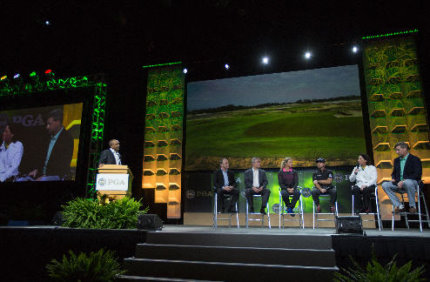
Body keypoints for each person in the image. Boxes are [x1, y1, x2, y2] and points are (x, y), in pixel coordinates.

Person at [28, 109, 74, 180]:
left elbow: (63, 165)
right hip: (42, 175)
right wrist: (36, 170)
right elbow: (41, 158)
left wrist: (45, 176)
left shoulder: (67, 139)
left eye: (49, 124)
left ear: (58, 122)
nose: (47, 127)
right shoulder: (47, 137)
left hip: (57, 175)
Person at [382, 142, 422, 213]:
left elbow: (417, 174)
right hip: (399, 183)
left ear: (405, 149)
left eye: (398, 150)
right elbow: (394, 173)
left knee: (408, 182)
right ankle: (399, 206)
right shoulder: (396, 160)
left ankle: (412, 206)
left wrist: (403, 181)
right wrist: (393, 178)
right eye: (396, 150)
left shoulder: (415, 159)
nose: (397, 152)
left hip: (412, 183)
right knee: (385, 185)